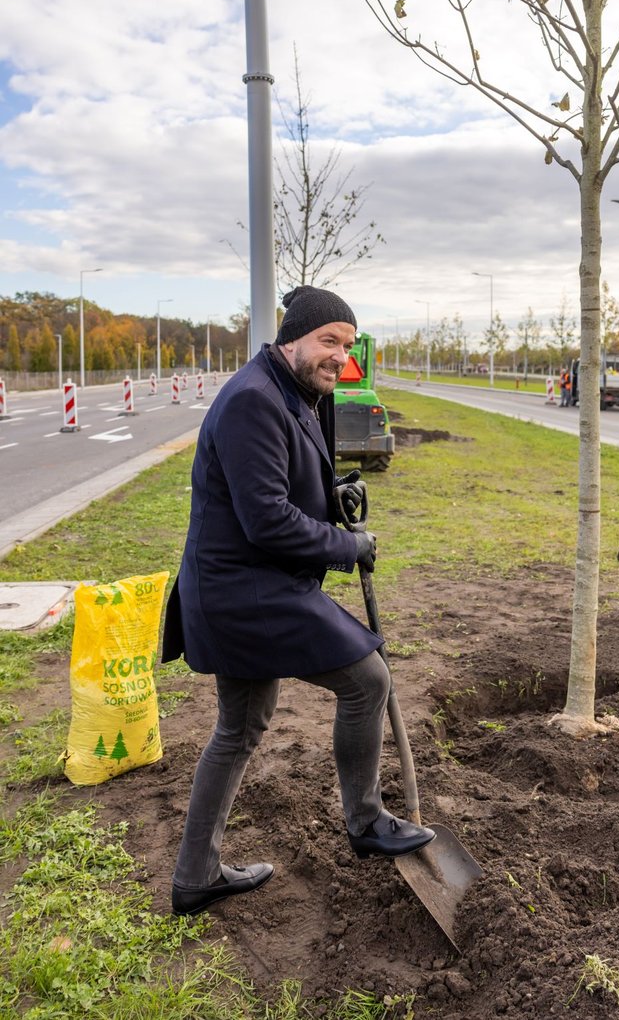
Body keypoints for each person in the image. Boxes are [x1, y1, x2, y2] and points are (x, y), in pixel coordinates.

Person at [162, 285, 434, 917]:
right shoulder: (254, 402)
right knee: (368, 680)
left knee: (240, 726)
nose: (337, 355)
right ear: (294, 339)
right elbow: (267, 520)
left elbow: (285, 477)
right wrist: (347, 544)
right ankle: (366, 823)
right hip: (246, 590)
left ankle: (196, 874)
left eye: (346, 343)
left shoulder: (295, 390)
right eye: (327, 341)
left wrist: (332, 489)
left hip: (246, 585)